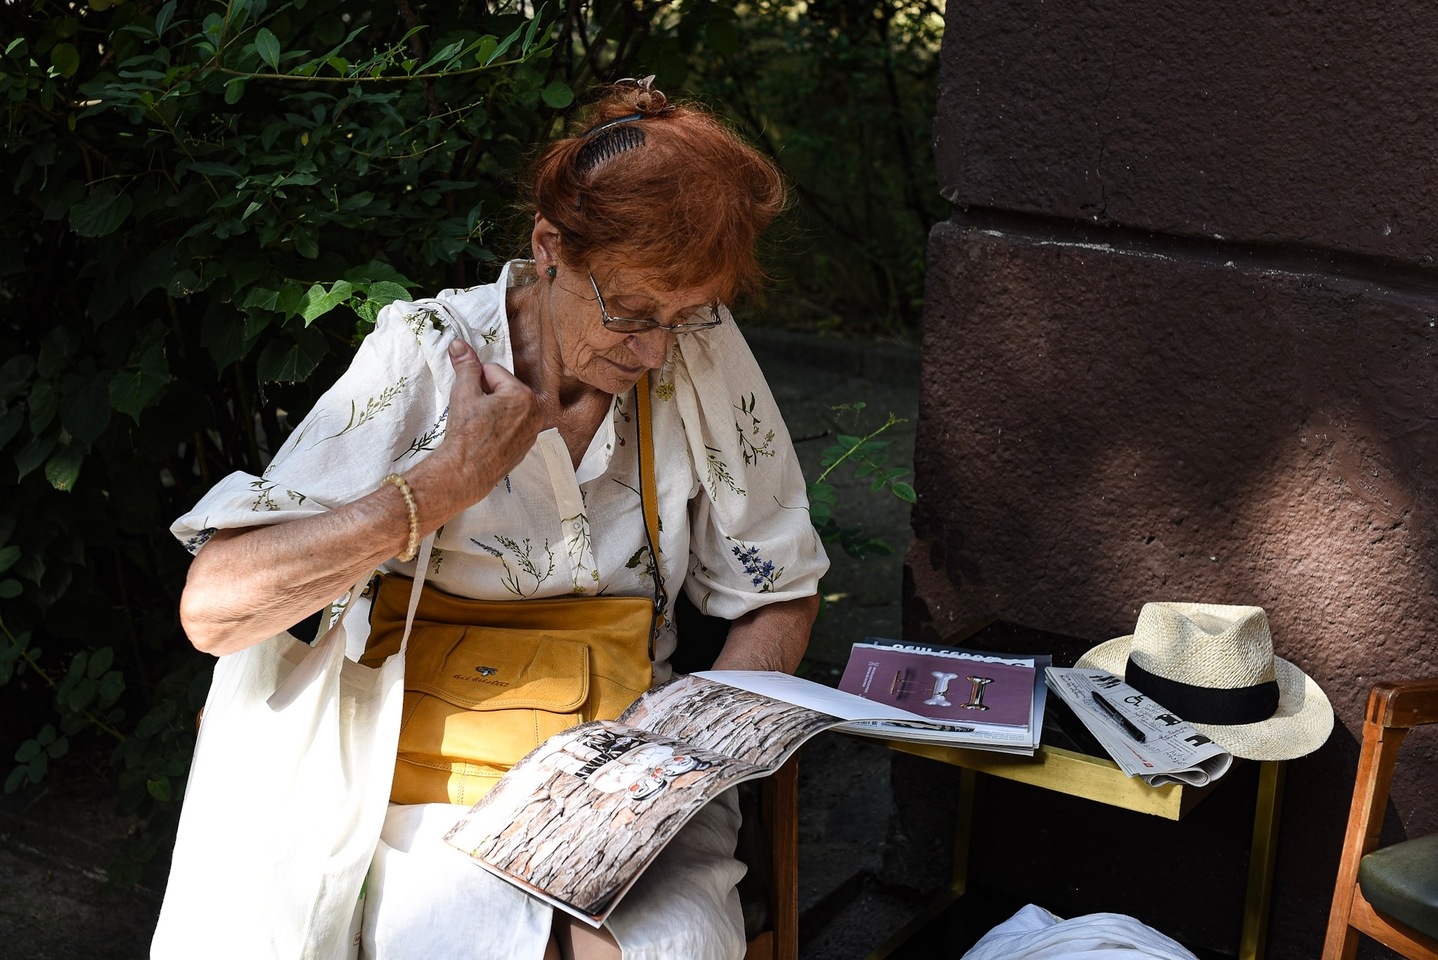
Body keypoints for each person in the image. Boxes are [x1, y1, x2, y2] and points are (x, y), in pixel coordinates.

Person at [172, 78, 829, 960]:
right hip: (430, 770)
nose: (656, 351)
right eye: (632, 313)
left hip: (635, 770)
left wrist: (687, 752)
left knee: (662, 948)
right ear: (549, 246)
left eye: (685, 317)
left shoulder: (695, 346)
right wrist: (440, 486)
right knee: (454, 938)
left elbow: (780, 592)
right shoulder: (427, 353)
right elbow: (214, 609)